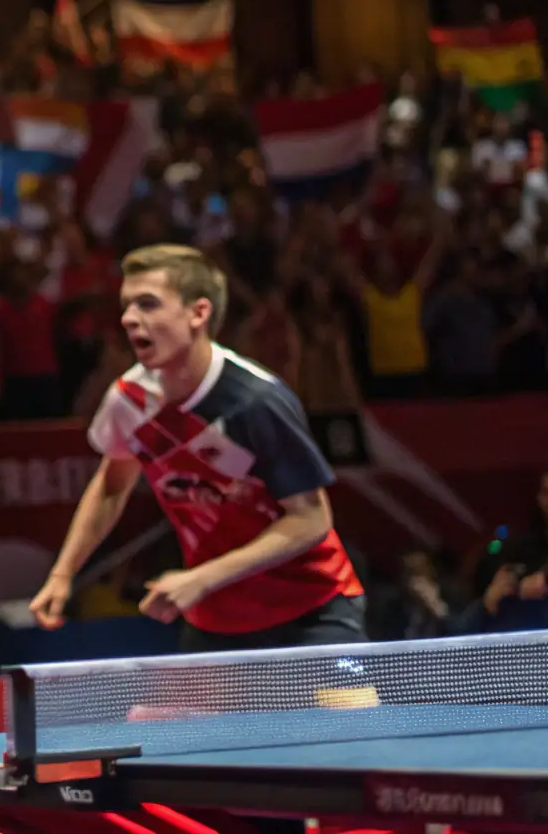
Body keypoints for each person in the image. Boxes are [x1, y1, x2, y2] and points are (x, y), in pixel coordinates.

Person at [29, 244, 366, 652]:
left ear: (198, 313)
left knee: (348, 718)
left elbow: (311, 520)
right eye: (126, 306)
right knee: (165, 719)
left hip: (312, 607)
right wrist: (63, 574)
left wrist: (200, 579)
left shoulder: (256, 403)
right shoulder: (130, 401)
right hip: (217, 618)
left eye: (148, 305)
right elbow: (113, 485)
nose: (129, 319)